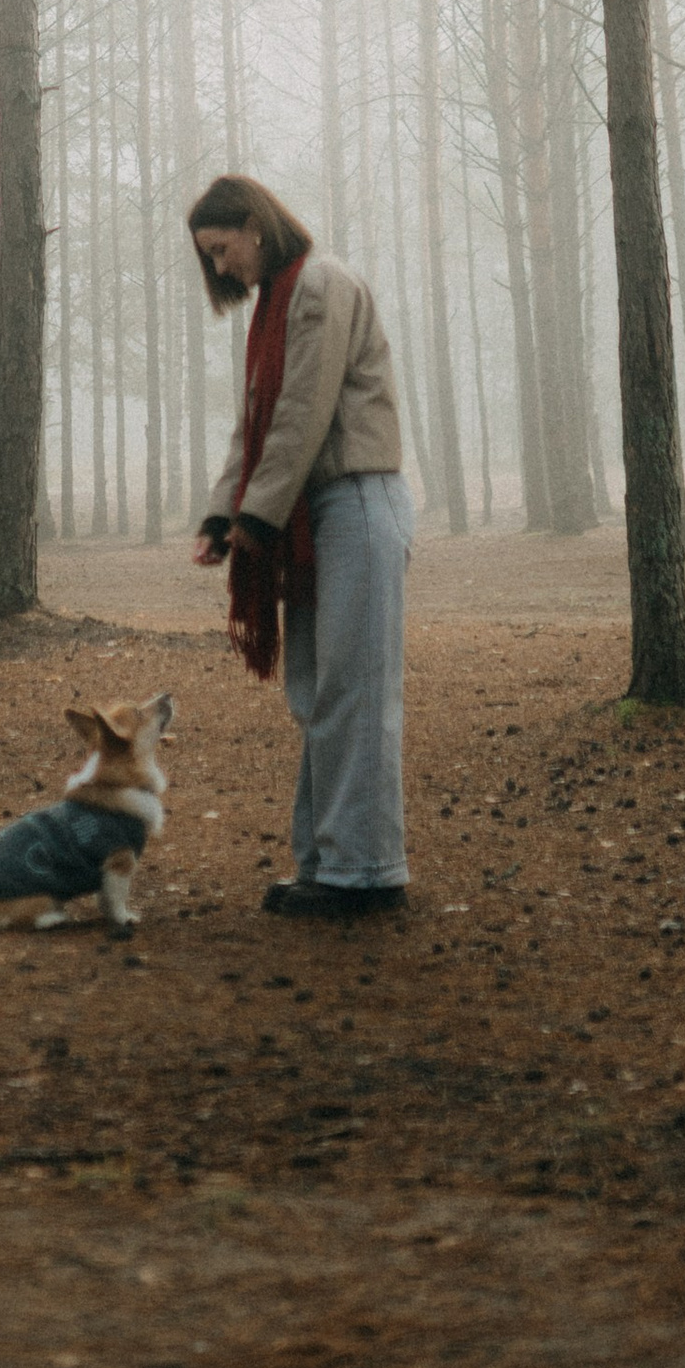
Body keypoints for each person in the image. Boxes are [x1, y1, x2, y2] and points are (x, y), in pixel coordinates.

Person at [187, 172, 413, 919]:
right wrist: (225, 518)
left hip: (353, 504)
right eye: (210, 258)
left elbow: (304, 415)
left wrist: (253, 522)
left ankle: (366, 872)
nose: (221, 269)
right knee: (318, 692)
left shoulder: (318, 286)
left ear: (255, 224)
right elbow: (255, 424)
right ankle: (327, 863)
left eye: (222, 250)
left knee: (353, 693)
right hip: (311, 515)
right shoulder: (277, 306)